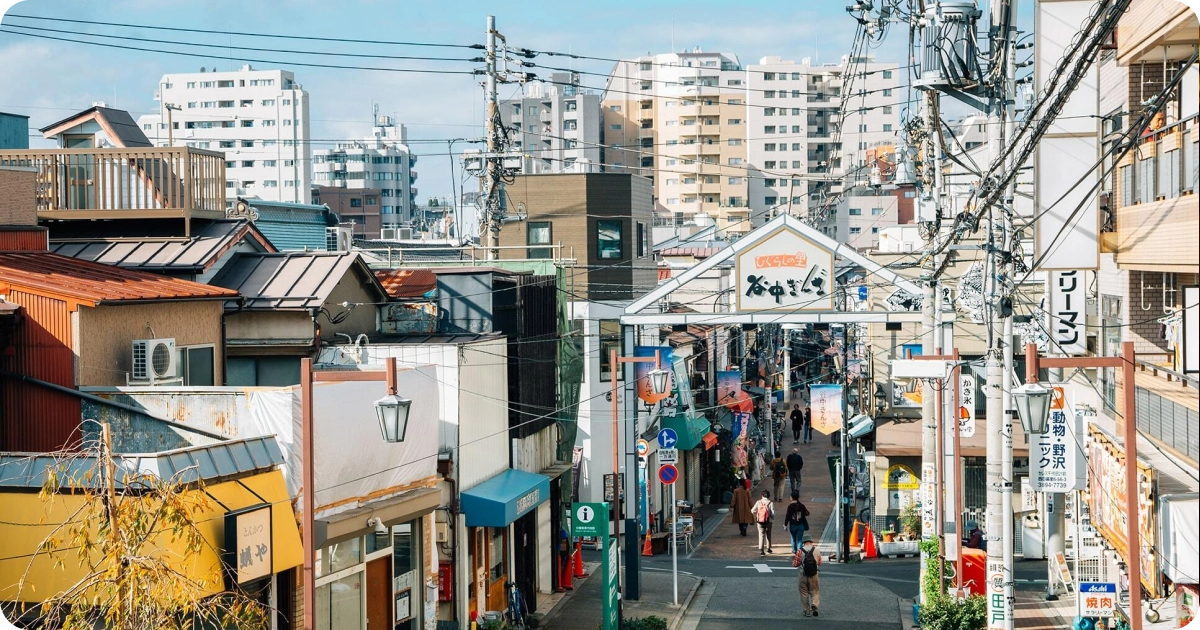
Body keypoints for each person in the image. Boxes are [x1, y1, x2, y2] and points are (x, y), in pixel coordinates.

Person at [791, 537, 822, 617]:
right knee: (815, 591)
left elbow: (795, 564)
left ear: (803, 542)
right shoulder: (817, 550)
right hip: (814, 574)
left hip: (803, 574)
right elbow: (819, 562)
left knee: (803, 592)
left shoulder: (800, 550)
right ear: (811, 542)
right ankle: (814, 604)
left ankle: (807, 611)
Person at [752, 490, 775, 556]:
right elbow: (773, 513)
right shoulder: (770, 503)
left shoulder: (758, 502)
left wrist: (757, 515)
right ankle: (768, 548)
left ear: (762, 495)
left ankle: (761, 550)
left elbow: (752, 510)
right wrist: (772, 518)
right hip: (768, 521)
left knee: (761, 535)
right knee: (768, 535)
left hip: (759, 521)